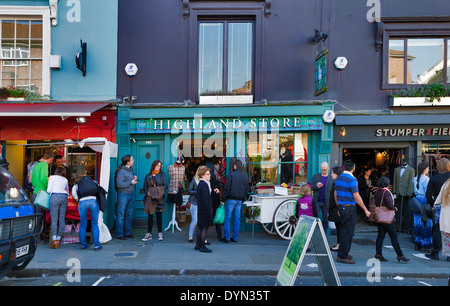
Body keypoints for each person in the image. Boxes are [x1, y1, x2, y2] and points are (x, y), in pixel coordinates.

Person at [334, 159, 371, 264]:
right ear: (353, 168)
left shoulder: (339, 178)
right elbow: (356, 196)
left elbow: (335, 193)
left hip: (342, 207)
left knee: (345, 231)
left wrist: (339, 207)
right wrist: (365, 209)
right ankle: (342, 256)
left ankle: (344, 253)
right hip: (349, 207)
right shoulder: (352, 179)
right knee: (348, 232)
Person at [374, 176, 410, 262]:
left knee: (380, 236)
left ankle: (378, 253)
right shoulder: (386, 192)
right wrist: (395, 208)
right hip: (387, 218)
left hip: (379, 217)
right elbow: (389, 205)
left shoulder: (377, 192)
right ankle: (400, 255)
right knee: (394, 237)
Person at [425, 158, 450, 260]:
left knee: (436, 228)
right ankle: (449, 255)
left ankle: (435, 252)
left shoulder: (434, 178)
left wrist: (433, 204)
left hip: (439, 206)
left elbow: (428, 195)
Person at [220, 160, 249, 243]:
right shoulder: (244, 177)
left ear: (235, 166)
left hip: (230, 199)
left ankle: (227, 238)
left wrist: (223, 199)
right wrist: (242, 200)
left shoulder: (231, 175)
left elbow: (227, 188)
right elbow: (246, 190)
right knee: (237, 219)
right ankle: (235, 238)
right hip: (239, 200)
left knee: (228, 218)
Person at [72, 175, 102, 250]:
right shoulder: (93, 182)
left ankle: (83, 244)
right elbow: (98, 190)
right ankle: (97, 245)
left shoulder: (78, 183)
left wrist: (77, 200)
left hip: (82, 202)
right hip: (93, 201)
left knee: (82, 224)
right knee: (95, 224)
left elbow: (73, 192)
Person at [142, 160, 168, 242]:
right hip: (150, 198)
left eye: (160, 166)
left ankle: (160, 233)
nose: (158, 167)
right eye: (157, 165)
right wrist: (147, 192)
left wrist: (158, 191)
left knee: (159, 215)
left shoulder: (162, 175)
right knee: (150, 216)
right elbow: (145, 187)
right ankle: (149, 233)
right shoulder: (148, 176)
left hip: (159, 197)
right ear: (153, 166)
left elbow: (165, 185)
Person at [115, 155, 138, 240]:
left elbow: (127, 181)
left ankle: (128, 232)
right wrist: (131, 182)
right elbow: (119, 184)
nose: (133, 160)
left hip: (130, 193)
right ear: (128, 162)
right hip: (123, 194)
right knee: (121, 214)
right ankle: (119, 234)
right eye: (132, 159)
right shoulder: (121, 171)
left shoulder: (130, 170)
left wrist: (133, 178)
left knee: (129, 214)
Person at [411, 162, 433, 250]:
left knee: (417, 223)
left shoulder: (415, 178)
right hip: (424, 200)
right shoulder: (427, 179)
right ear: (425, 169)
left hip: (416, 200)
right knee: (426, 222)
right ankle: (426, 244)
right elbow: (428, 193)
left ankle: (417, 243)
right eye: (427, 168)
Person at [47, 166, 69, 249]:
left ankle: (53, 240)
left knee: (54, 220)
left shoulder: (52, 177)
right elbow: (67, 191)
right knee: (62, 219)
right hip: (64, 197)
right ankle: (58, 240)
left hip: (55, 196)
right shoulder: (65, 180)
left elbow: (49, 190)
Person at [31, 151, 54, 232]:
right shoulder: (44, 165)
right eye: (51, 160)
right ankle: (37, 234)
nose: (51, 162)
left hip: (35, 192)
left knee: (35, 214)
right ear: (50, 158)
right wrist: (49, 186)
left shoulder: (36, 165)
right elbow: (43, 178)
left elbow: (32, 180)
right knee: (40, 215)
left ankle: (33, 232)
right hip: (41, 193)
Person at [195, 166, 215, 253]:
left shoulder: (201, 183)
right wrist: (208, 210)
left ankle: (198, 244)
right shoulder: (204, 185)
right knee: (204, 228)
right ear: (202, 175)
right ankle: (202, 246)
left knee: (200, 227)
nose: (209, 175)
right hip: (205, 209)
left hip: (201, 209)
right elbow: (205, 199)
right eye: (207, 174)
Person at [310, 162, 333, 233]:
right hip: (317, 201)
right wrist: (316, 186)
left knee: (325, 219)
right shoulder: (315, 176)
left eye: (325, 170)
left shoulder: (331, 178)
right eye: (322, 170)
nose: (323, 171)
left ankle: (324, 234)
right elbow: (310, 187)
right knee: (315, 218)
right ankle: (315, 233)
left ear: (328, 168)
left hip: (327, 202)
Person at [328, 167, 343, 252]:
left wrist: (338, 207)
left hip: (337, 208)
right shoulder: (337, 183)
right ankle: (339, 244)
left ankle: (339, 245)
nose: (331, 174)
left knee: (339, 227)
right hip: (335, 208)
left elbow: (337, 197)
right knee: (339, 227)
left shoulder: (337, 184)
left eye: (333, 173)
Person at [435, 178, 450, 261]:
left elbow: (438, 199)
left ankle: (448, 254)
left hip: (445, 213)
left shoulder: (446, 183)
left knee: (446, 237)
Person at [187, 168, 200, 242]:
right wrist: (197, 191)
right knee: (195, 220)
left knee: (200, 221)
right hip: (194, 202)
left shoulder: (205, 181)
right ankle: (190, 236)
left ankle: (201, 237)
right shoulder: (194, 180)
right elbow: (189, 190)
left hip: (201, 203)